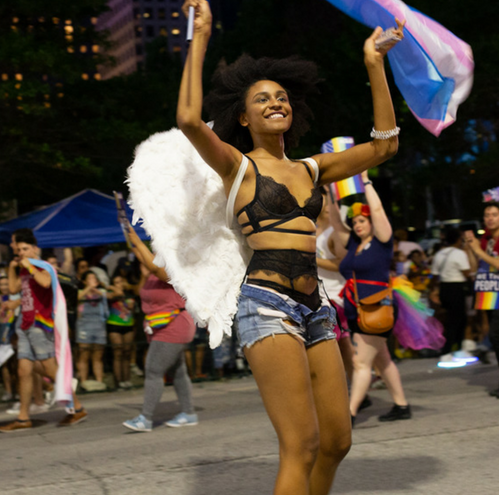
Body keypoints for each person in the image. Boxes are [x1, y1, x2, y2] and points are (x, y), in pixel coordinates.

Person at [176, 2, 401, 493]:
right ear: (242, 115)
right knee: (300, 446)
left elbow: (384, 146)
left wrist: (374, 65)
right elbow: (190, 119)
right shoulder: (237, 167)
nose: (276, 102)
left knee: (338, 442)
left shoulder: (311, 168)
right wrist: (201, 38)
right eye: (262, 99)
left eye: (281, 96)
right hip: (267, 307)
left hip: (317, 306)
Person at [331, 172, 411, 426]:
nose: (358, 225)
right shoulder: (354, 244)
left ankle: (350, 413)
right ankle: (401, 405)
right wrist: (332, 192)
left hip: (377, 308)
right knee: (382, 359)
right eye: (355, 222)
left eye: (363, 221)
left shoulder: (382, 241)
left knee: (360, 362)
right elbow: (336, 224)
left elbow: (377, 209)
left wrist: (365, 181)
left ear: (372, 222)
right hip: (359, 310)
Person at [0, 230, 86, 432]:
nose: (21, 252)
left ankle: (78, 407)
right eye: (19, 249)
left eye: (25, 249)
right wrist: (13, 268)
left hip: (41, 324)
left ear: (35, 248)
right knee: (23, 371)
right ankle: (23, 418)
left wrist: (30, 265)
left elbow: (46, 283)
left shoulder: (45, 266)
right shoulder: (22, 268)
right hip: (26, 324)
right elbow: (13, 289)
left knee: (50, 369)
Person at [122, 226, 197, 432]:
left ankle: (145, 418)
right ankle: (189, 413)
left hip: (174, 325)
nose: (153, 252)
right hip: (162, 326)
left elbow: (152, 265)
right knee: (178, 373)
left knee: (153, 370)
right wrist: (129, 236)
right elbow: (139, 254)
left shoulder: (174, 270)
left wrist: (135, 238)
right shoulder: (153, 274)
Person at [466, 201, 499, 398]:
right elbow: (476, 266)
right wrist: (471, 248)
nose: (490, 218)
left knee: (496, 334)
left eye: (494, 214)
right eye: (487, 215)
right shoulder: (486, 238)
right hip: (488, 289)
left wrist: (478, 250)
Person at [316, 189, 355, 384]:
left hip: (334, 297)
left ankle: (351, 389)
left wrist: (311, 260)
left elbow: (342, 264)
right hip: (318, 296)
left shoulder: (334, 232)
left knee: (332, 347)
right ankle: (358, 388)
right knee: (343, 348)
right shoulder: (311, 229)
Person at [431, 227, 473, 361]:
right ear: (458, 239)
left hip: (444, 288)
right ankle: (450, 350)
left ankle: (453, 349)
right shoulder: (460, 254)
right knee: (458, 320)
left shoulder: (439, 254)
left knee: (451, 320)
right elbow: (467, 273)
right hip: (456, 288)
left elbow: (435, 275)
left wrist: (434, 290)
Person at [75, 271, 109, 391]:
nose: (92, 280)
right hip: (84, 326)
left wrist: (97, 290)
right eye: (89, 278)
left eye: (94, 278)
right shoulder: (80, 292)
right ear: (84, 281)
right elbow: (76, 299)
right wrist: (88, 288)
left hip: (99, 326)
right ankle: (83, 382)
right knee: (84, 354)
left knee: (98, 356)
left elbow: (110, 296)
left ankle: (99, 382)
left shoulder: (101, 293)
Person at [107, 274, 136, 389]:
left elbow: (130, 307)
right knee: (118, 353)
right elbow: (114, 295)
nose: (119, 284)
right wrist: (114, 289)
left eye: (121, 282)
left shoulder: (129, 294)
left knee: (127, 352)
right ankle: (118, 382)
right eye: (116, 282)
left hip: (128, 324)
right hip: (114, 325)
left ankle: (127, 380)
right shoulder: (111, 293)